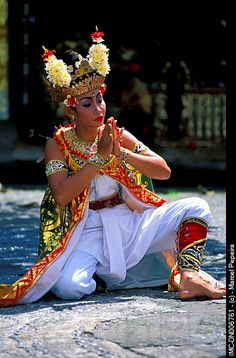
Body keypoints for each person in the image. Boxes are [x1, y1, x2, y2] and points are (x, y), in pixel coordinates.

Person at [0, 29, 225, 307]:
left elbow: (163, 170)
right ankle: (108, 275)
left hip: (130, 223)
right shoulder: (57, 144)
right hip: (88, 230)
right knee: (71, 287)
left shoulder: (118, 135)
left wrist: (122, 154)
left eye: (100, 99)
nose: (98, 108)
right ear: (71, 110)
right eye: (87, 103)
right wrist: (98, 159)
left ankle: (189, 276)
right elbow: (61, 196)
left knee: (197, 207)